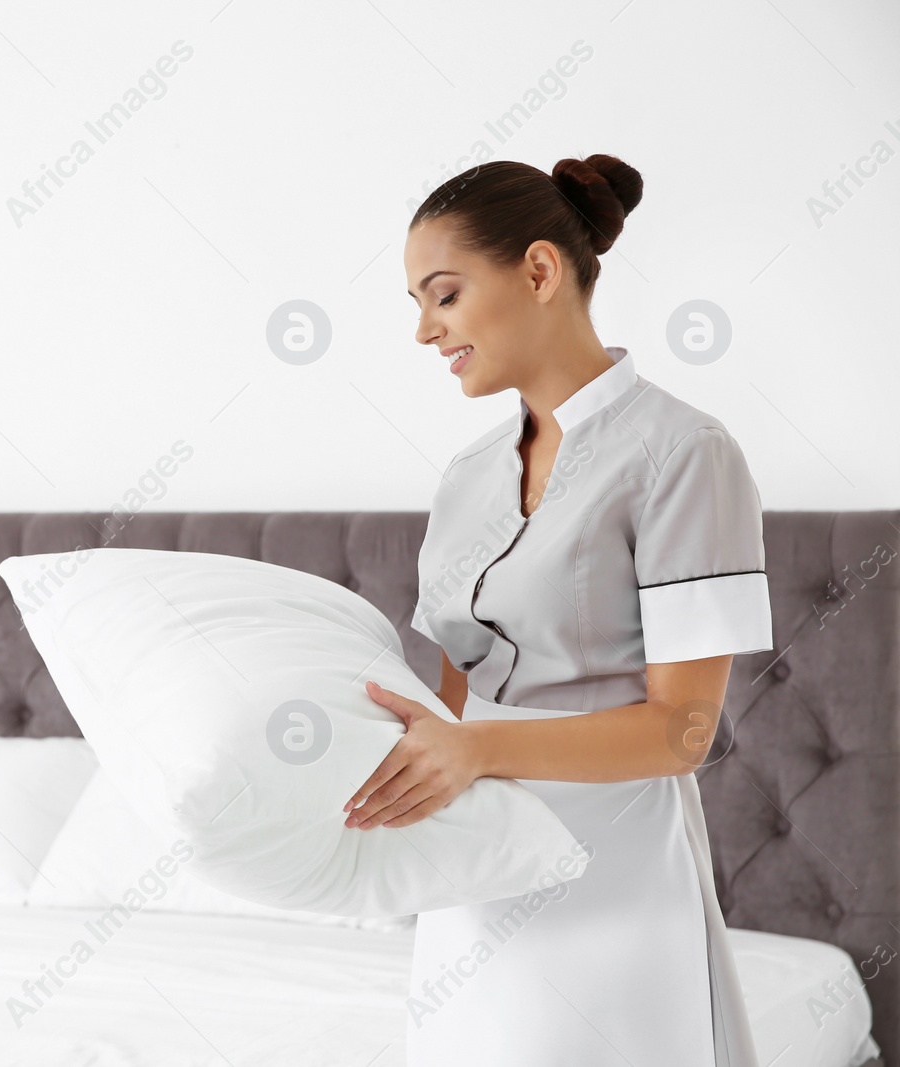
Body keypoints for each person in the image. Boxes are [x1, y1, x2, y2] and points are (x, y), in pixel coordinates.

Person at [342, 154, 771, 1066]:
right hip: (472, 872)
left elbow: (682, 731)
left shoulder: (683, 453)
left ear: (539, 271)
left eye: (444, 295)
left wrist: (478, 748)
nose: (424, 330)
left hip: (614, 877)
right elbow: (456, 709)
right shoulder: (464, 480)